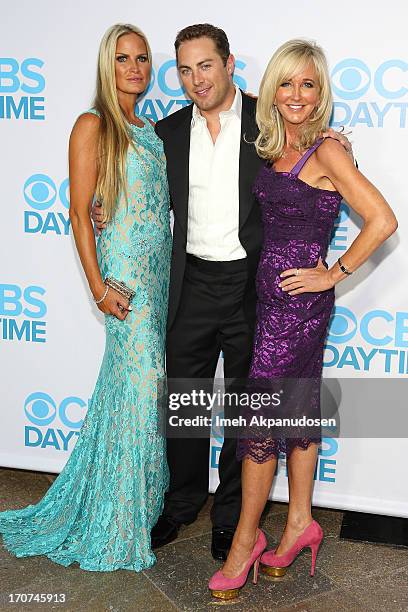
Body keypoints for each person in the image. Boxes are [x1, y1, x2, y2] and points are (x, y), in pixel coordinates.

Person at [93, 23, 351, 562]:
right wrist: (102, 207)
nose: (195, 80)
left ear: (230, 64)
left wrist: (336, 138)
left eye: (205, 66)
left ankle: (233, 517)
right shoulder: (165, 133)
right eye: (185, 70)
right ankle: (182, 502)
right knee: (183, 402)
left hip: (253, 287)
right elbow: (133, 186)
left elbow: (317, 149)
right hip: (190, 282)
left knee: (243, 409)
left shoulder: (268, 120)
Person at [209, 39, 397, 599]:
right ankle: (299, 524)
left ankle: (246, 543)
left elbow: (382, 219)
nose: (296, 94)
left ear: (321, 94)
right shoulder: (276, 147)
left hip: (296, 305)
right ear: (272, 90)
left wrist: (332, 272)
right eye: (286, 83)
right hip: (272, 303)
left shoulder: (326, 150)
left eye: (308, 84)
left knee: (260, 425)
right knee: (298, 409)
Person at [0, 23, 171, 572]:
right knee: (140, 394)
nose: (135, 68)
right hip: (124, 282)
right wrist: (99, 289)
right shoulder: (92, 124)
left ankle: (129, 508)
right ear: (107, 64)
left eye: (142, 58)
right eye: (123, 59)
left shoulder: (149, 128)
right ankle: (117, 520)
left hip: (160, 273)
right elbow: (79, 213)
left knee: (132, 394)